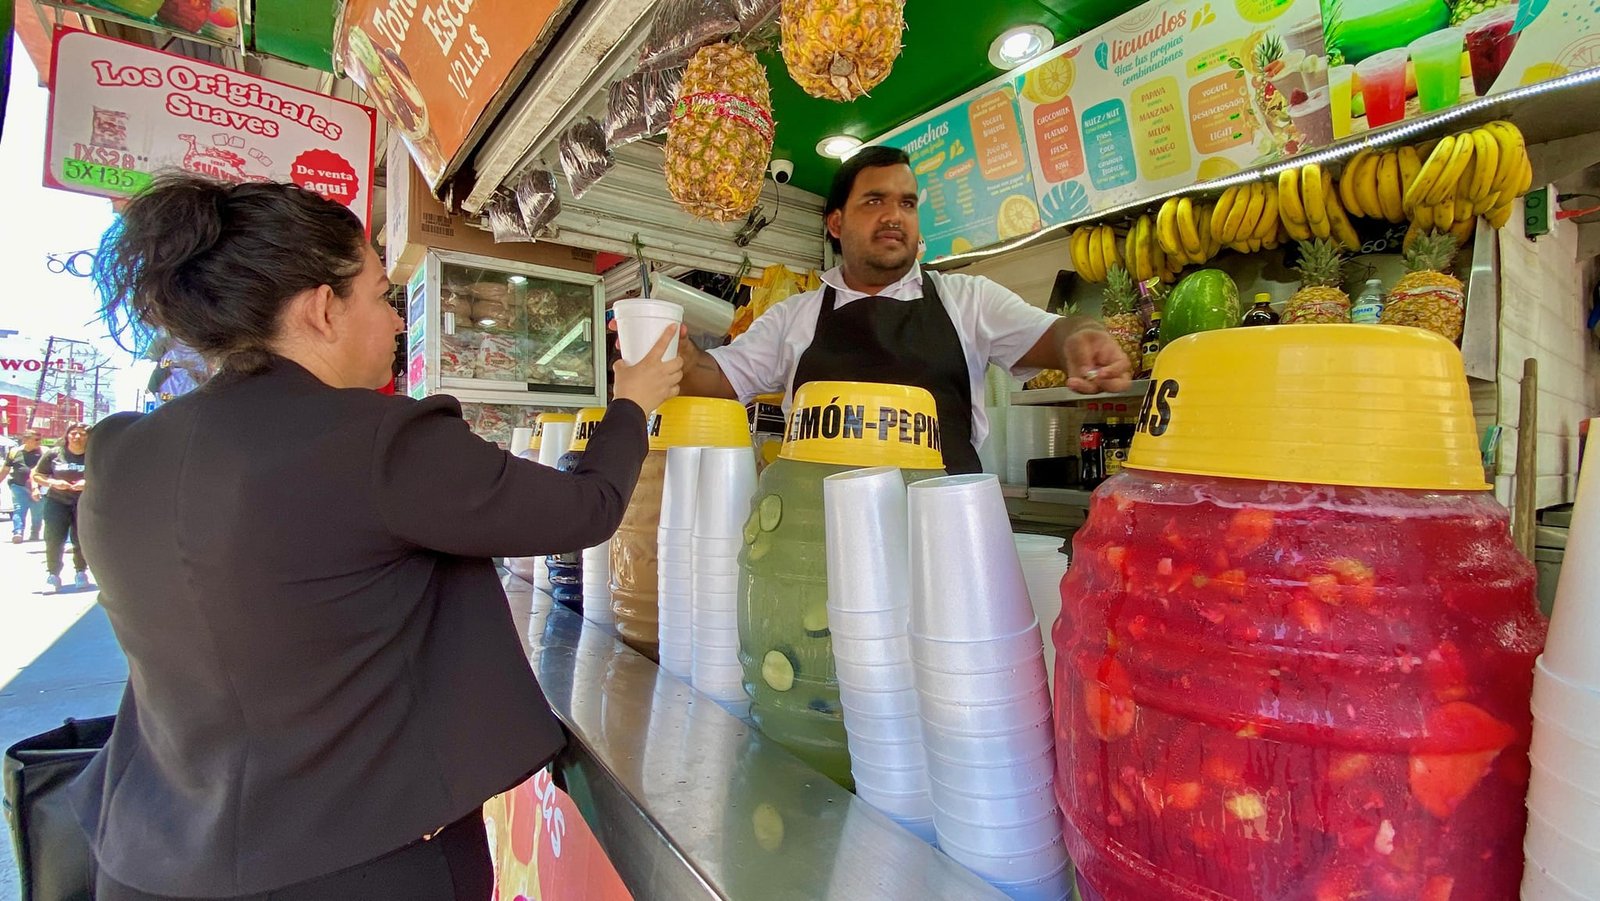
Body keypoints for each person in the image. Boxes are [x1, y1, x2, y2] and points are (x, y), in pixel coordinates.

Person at [73, 174, 683, 900]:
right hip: (356, 867)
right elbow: (586, 506)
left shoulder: (119, 457)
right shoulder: (380, 442)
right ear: (322, 310)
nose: (398, 323)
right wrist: (633, 403)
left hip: (143, 861)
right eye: (381, 296)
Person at [676, 145, 1133, 474]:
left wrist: (1079, 336)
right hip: (823, 541)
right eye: (874, 201)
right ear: (836, 222)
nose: (894, 216)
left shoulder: (967, 300)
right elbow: (717, 379)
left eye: (907, 203)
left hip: (942, 541)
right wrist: (677, 358)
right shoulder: (794, 317)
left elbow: (1055, 335)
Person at [33, 423, 89, 590]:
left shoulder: (94, 455)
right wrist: (53, 482)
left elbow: (106, 476)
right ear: (67, 436)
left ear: (88, 437)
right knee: (54, 539)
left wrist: (88, 482)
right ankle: (53, 576)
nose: (77, 437)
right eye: (73, 433)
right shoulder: (54, 454)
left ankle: (81, 572)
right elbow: (37, 475)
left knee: (81, 540)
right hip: (57, 501)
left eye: (82, 434)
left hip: (83, 503)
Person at [5, 429, 44, 543]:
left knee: (37, 513)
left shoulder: (44, 452)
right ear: (26, 440)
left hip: (39, 488)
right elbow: (5, 470)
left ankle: (35, 532)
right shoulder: (14, 452)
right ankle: (18, 532)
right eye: (36, 439)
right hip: (18, 486)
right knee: (19, 509)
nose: (39, 442)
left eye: (40, 439)